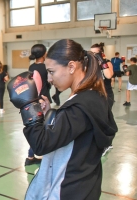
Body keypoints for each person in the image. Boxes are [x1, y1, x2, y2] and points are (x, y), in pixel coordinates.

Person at [7, 39, 117, 199]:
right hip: (85, 185)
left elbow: (41, 144)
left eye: (52, 72)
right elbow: (75, 132)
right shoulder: (94, 96)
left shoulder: (78, 107)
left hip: (67, 190)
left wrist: (28, 108)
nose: (49, 79)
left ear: (71, 67)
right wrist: (50, 114)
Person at [25, 44, 52, 165]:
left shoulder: (31, 66)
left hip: (33, 100)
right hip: (43, 100)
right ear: (44, 54)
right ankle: (39, 155)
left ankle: (30, 157)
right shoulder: (45, 67)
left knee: (36, 127)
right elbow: (50, 82)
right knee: (44, 128)